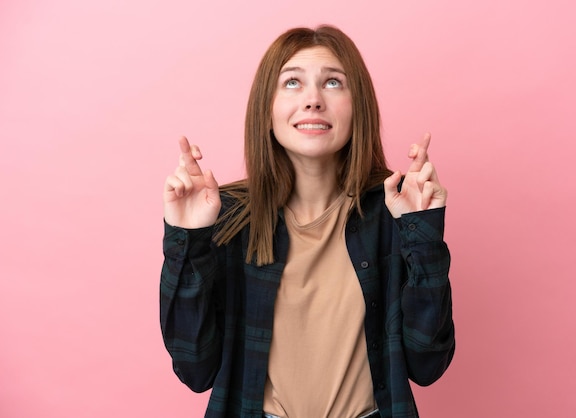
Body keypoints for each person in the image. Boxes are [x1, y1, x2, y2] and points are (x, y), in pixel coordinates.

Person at [160, 24, 455, 418]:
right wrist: (189, 237)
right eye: (292, 83)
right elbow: (194, 368)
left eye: (333, 83)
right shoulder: (228, 217)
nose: (313, 100)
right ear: (267, 109)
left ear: (358, 107)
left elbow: (428, 364)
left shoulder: (394, 212)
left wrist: (422, 233)